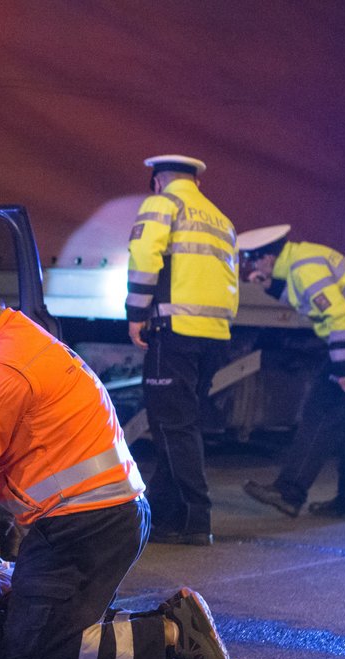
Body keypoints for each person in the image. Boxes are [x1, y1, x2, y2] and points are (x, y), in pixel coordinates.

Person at [0, 272, 230, 659]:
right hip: (104, 516)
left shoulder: (0, 368)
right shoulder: (11, 344)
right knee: (50, 631)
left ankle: (171, 634)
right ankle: (173, 624)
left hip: (82, 524)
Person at [237, 226, 345, 519]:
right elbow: (309, 301)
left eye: (255, 260)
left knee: (320, 415)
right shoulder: (303, 260)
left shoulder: (303, 268)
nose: (253, 265)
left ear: (269, 258)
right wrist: (272, 287)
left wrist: (343, 369)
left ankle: (289, 492)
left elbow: (338, 316)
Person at [125, 155, 239, 546]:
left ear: (158, 181)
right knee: (175, 425)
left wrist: (135, 312)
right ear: (197, 182)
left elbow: (144, 258)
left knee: (173, 426)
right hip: (214, 334)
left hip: (174, 330)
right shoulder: (219, 218)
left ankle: (195, 518)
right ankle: (163, 516)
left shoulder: (163, 204)